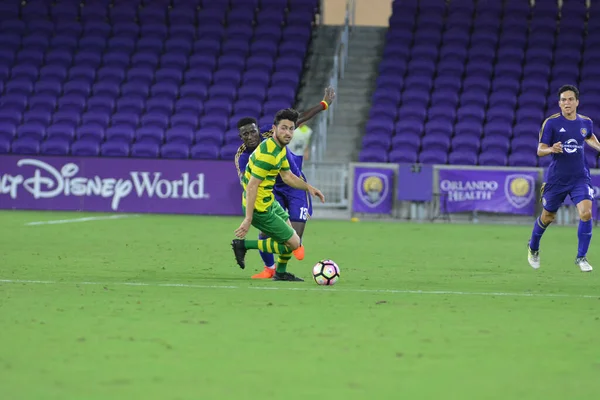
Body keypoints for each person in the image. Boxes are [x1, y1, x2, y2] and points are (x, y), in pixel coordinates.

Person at [234, 86, 335, 279]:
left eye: (252, 132)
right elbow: (249, 185)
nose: (250, 136)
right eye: (245, 134)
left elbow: (300, 119)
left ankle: (279, 271)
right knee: (284, 239)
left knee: (295, 238)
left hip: (293, 187)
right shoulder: (248, 156)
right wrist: (248, 217)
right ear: (241, 137)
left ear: (260, 130)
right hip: (270, 193)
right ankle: (268, 267)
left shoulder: (274, 138)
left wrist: (323, 105)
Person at [527, 84, 600, 272]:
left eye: (570, 99)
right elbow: (540, 149)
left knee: (586, 213)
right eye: (563, 100)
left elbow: (589, 136)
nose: (566, 103)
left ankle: (581, 257)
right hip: (557, 179)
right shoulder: (551, 123)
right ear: (559, 104)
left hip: (580, 177)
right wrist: (552, 149)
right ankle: (533, 247)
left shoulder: (585, 122)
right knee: (548, 216)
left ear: (577, 102)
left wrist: (598, 146)